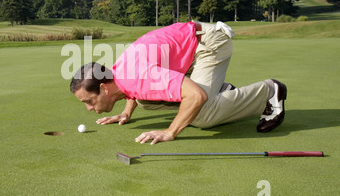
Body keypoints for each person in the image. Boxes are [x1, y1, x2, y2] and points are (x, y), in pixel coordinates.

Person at [70, 21, 287, 145]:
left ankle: (267, 91)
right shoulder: (119, 74)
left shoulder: (139, 77)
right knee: (146, 100)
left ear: (103, 88)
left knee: (202, 114)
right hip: (189, 51)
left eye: (89, 101)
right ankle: (221, 90)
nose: (89, 108)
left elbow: (196, 97)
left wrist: (170, 131)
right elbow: (133, 91)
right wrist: (127, 113)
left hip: (210, 43)